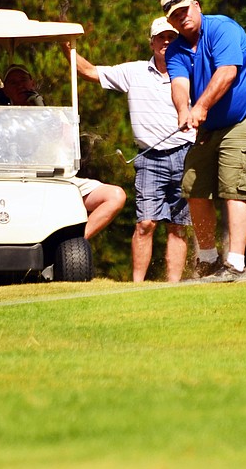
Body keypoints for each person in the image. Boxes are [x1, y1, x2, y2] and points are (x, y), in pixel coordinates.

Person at [64, 18, 220, 283]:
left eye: (172, 37)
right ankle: (137, 286)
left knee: (178, 227)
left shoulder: (191, 72)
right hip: (150, 158)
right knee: (145, 224)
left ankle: (172, 286)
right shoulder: (134, 72)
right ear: (152, 42)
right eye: (161, 38)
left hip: (186, 154)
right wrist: (67, 49)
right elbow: (90, 72)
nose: (167, 42)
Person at [161, 0, 246, 283]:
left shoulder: (222, 28)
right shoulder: (175, 50)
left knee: (234, 186)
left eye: (185, 10)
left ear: (197, 6)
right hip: (213, 127)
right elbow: (179, 84)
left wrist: (200, 107)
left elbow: (226, 72)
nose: (182, 16)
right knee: (193, 185)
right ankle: (209, 261)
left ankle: (236, 266)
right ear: (171, 22)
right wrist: (183, 111)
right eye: (175, 15)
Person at [5, 64, 127, 241]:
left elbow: (64, 140)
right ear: (6, 90)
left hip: (59, 180)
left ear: (32, 83)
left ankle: (74, 243)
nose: (20, 86)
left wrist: (41, 110)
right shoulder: (3, 118)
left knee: (115, 196)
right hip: (19, 183)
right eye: (13, 83)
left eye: (23, 80)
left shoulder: (53, 115)